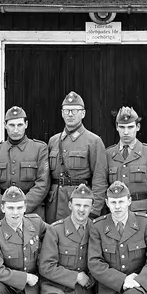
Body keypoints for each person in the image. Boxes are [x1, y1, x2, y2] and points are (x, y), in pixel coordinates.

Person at [38, 185, 101, 294]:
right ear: (70, 205)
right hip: (55, 287)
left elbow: (99, 262)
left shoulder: (96, 230)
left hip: (81, 291)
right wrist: (76, 276)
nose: (81, 209)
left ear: (91, 207)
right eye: (78, 205)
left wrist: (91, 280)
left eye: (86, 205)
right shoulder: (56, 230)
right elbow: (45, 266)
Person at [46, 91, 107, 223]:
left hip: (80, 206)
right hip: (54, 207)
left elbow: (100, 180)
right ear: (62, 113)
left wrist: (93, 211)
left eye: (75, 110)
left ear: (83, 113)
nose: (70, 114)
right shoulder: (53, 141)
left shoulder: (93, 141)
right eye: (66, 110)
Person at [0, 105, 50, 225]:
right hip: (2, 216)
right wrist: (5, 210)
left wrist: (21, 209)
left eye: (19, 125)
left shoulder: (39, 149)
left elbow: (42, 184)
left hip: (31, 214)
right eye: (11, 125)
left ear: (26, 124)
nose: (15, 130)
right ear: (5, 125)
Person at [105, 106, 147, 223]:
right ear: (117, 127)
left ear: (138, 127)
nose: (126, 132)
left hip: (141, 216)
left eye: (130, 127)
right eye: (122, 127)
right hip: (115, 217)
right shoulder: (108, 154)